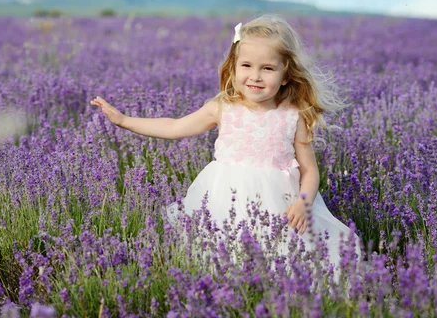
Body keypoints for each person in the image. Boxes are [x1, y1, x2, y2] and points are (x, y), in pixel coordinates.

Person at [90, 14, 360, 270]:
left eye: (267, 68)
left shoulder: (292, 116)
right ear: (234, 67)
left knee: (282, 261)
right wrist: (124, 120)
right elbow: (174, 127)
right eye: (246, 66)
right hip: (223, 199)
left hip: (278, 204)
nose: (255, 76)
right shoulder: (223, 107)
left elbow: (310, 171)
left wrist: (303, 201)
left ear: (286, 74)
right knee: (220, 257)